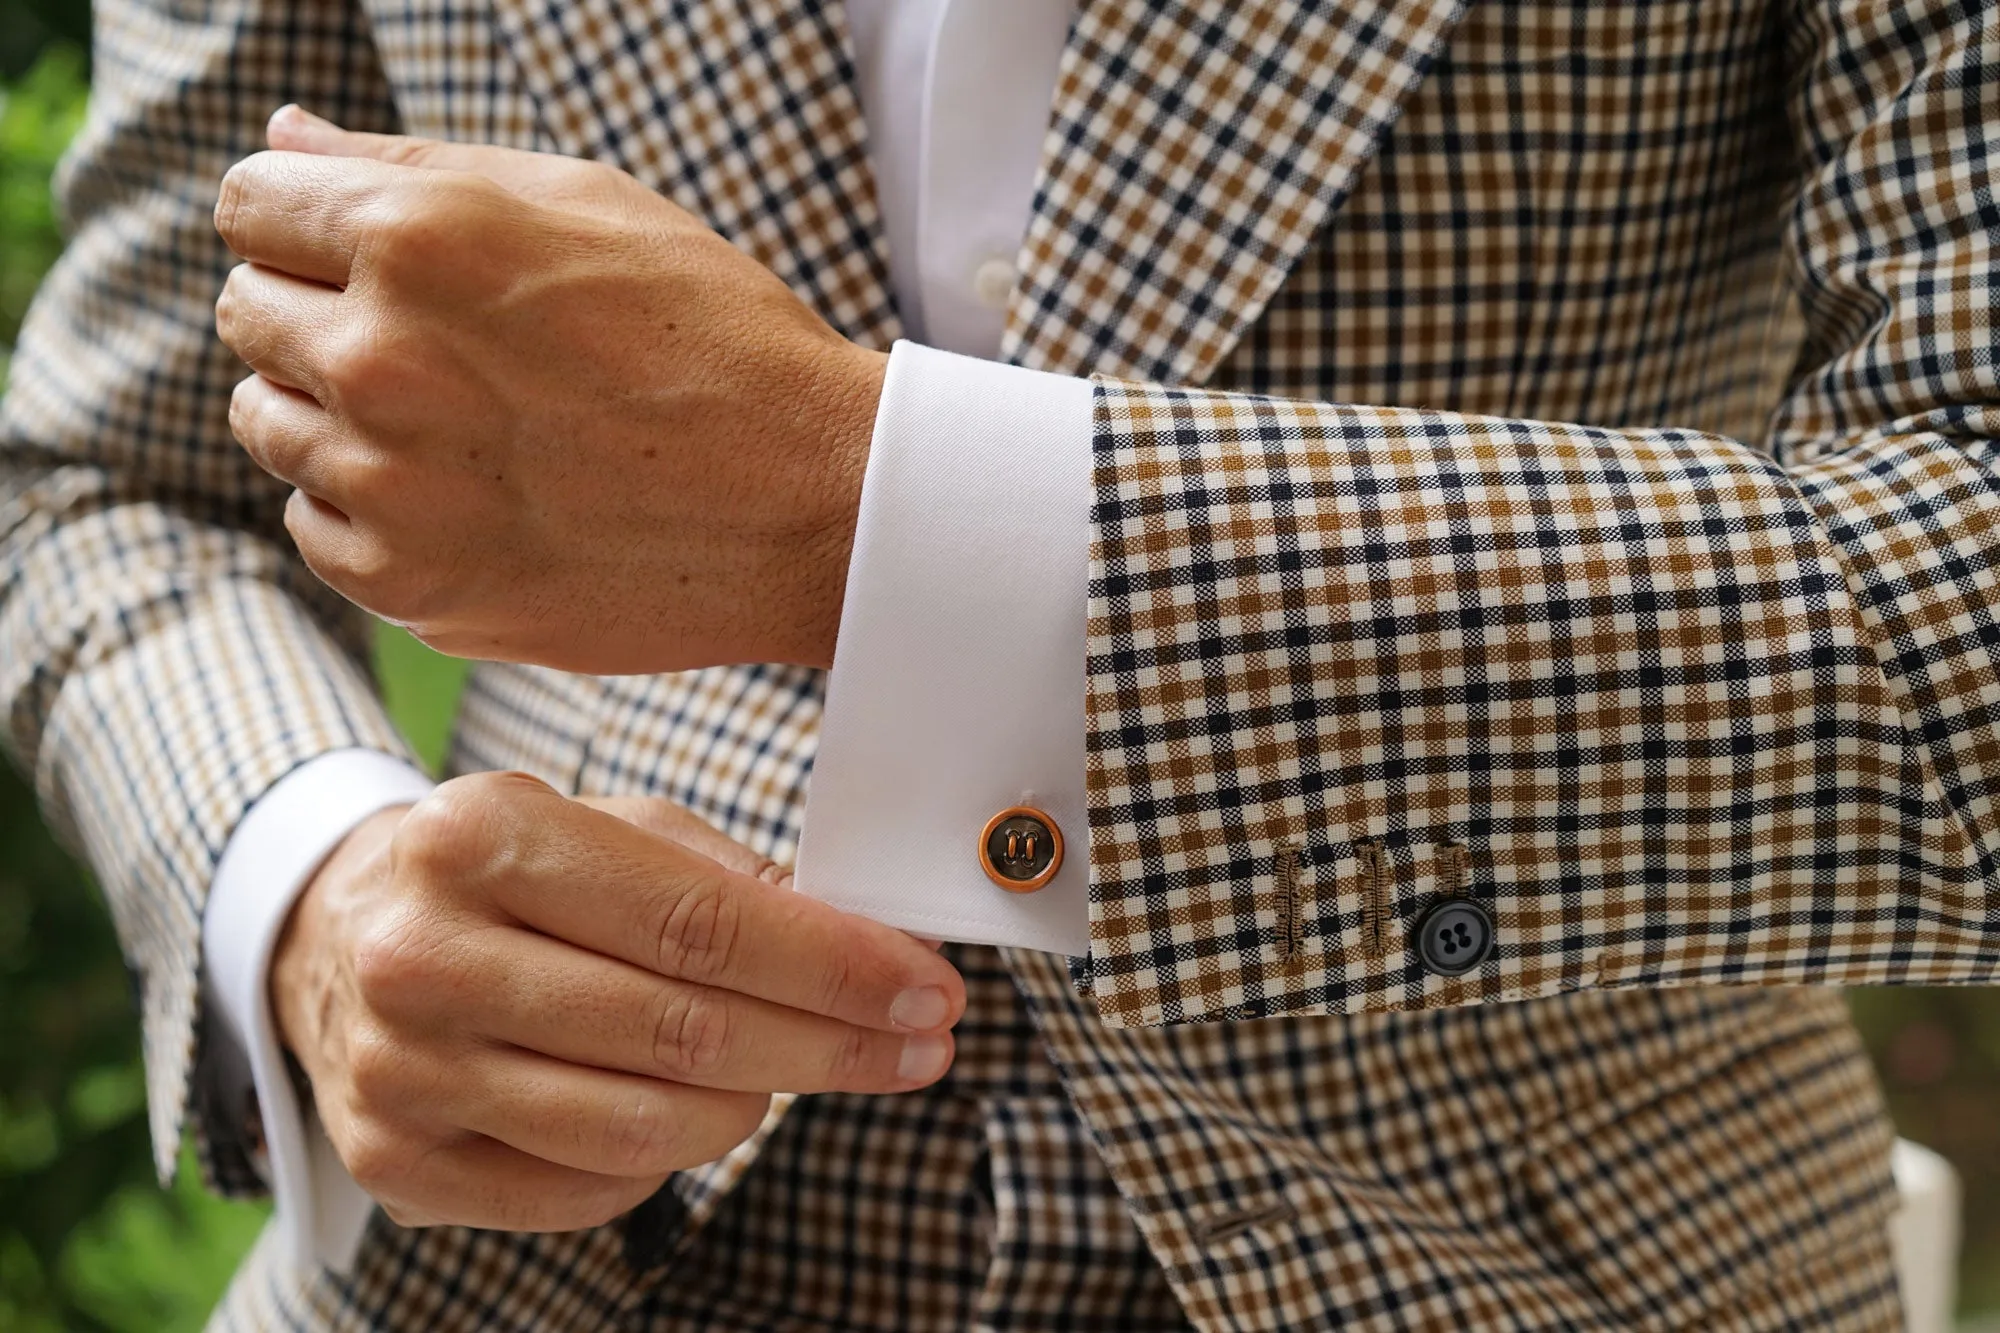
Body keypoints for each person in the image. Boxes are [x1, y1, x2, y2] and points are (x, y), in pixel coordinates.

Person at [3, 0, 1994, 1326]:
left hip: (1533, 1248)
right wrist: (308, 883)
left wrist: (870, 520)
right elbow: (108, 470)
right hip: (524, 1255)